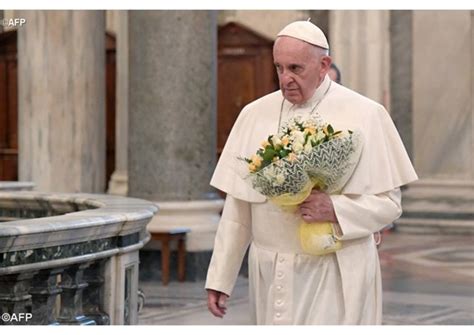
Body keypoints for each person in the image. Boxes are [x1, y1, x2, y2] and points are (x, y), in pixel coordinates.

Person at [205, 21, 417, 325]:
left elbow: (389, 205)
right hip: (270, 269)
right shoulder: (253, 114)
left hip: (334, 271)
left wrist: (336, 209)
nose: (285, 79)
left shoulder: (366, 114)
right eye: (279, 67)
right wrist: (220, 278)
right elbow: (238, 211)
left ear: (323, 65)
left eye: (295, 68)